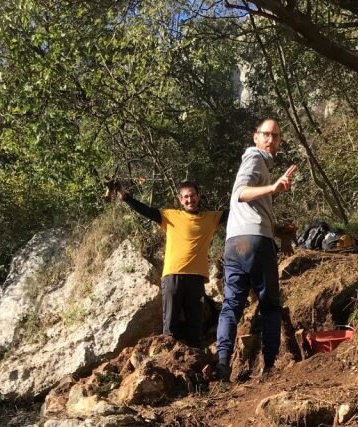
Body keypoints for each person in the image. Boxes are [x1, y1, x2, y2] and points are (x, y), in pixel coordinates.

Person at [215, 119, 296, 381]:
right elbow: (240, 192)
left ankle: (223, 365)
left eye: (275, 136)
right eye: (266, 134)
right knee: (270, 305)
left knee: (231, 307)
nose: (271, 139)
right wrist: (273, 187)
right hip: (255, 241)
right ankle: (269, 366)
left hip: (233, 243)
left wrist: (275, 194)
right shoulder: (254, 160)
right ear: (255, 137)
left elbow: (253, 201)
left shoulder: (258, 162)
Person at [107, 179, 225, 347]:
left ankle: (195, 366)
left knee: (195, 325)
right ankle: (168, 361)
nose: (189, 200)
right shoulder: (170, 216)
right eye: (185, 197)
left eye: (192, 196)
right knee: (170, 323)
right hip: (173, 276)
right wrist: (125, 196)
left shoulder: (211, 218)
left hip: (197, 279)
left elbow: (236, 209)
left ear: (198, 197)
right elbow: (146, 211)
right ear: (180, 200)